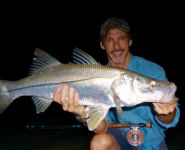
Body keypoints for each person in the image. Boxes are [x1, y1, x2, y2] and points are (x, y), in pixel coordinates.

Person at [53, 17, 180, 150]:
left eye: (121, 38)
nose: (116, 46)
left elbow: (170, 120)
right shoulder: (97, 78)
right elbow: (101, 128)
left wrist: (167, 112)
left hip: (152, 144)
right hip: (120, 141)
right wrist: (82, 113)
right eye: (109, 40)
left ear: (130, 41)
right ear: (102, 45)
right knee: (100, 142)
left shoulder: (152, 70)